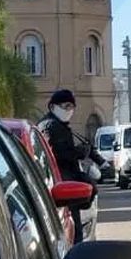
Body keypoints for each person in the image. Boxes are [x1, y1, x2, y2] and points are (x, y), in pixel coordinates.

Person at [38, 89, 106, 243]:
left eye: (71, 107)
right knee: (74, 239)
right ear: (52, 107)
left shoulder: (60, 126)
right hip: (61, 189)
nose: (69, 110)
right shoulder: (49, 126)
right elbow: (54, 155)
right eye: (65, 106)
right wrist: (78, 153)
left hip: (65, 188)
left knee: (76, 232)